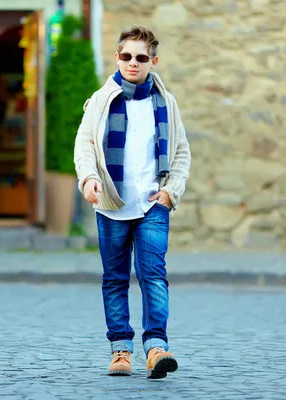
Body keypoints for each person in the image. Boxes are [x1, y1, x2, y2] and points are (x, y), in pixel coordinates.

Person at [74, 25, 191, 379]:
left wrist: (171, 191)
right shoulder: (100, 100)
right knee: (114, 278)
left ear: (153, 61)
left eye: (141, 57)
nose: (133, 63)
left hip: (152, 203)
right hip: (111, 203)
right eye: (126, 56)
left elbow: (182, 152)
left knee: (153, 276)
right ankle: (120, 350)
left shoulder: (166, 103)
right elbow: (85, 147)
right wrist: (89, 179)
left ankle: (156, 348)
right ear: (117, 58)